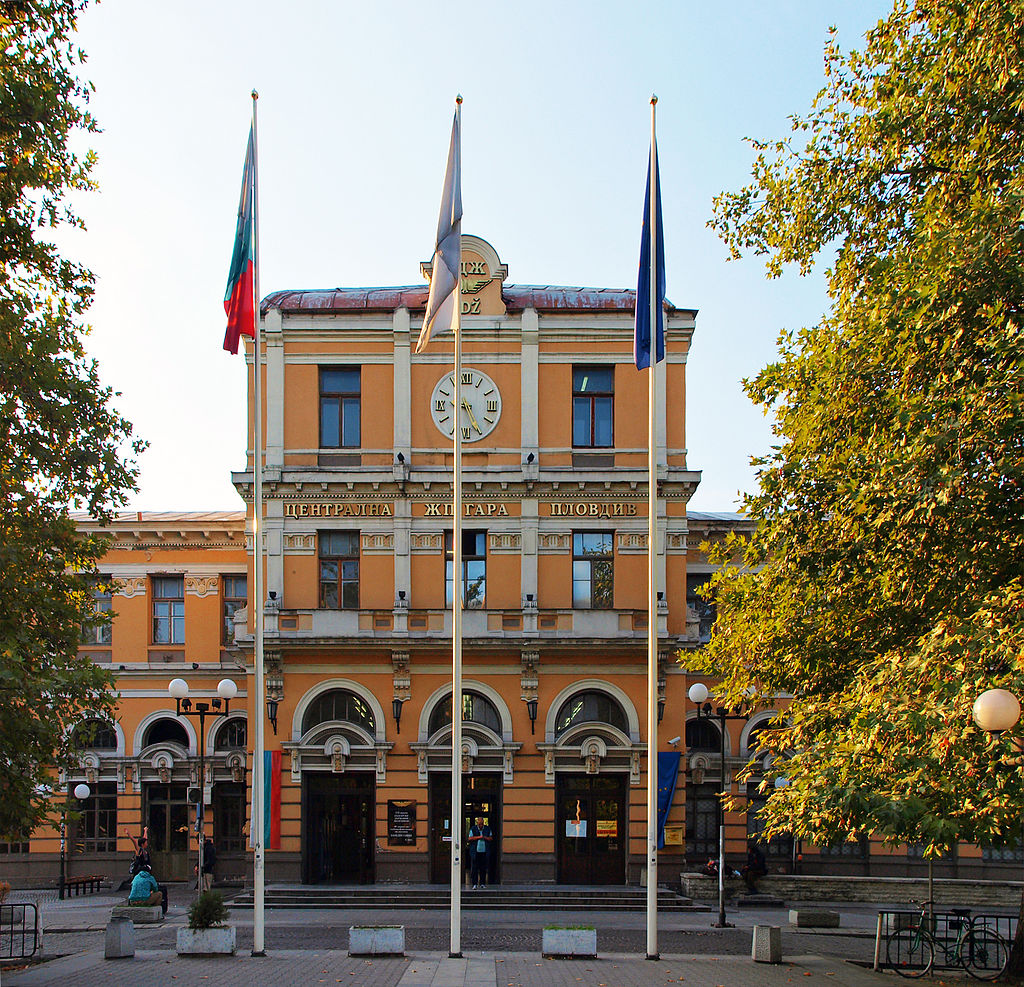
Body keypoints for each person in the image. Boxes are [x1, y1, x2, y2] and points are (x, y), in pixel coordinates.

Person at [467, 816, 492, 889]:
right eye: (479, 824)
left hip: (484, 852)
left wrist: (485, 837)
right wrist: (479, 837)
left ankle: (482, 883)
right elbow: (470, 838)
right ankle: (474, 883)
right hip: (475, 852)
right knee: (474, 868)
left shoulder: (487, 829)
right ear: (477, 823)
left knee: (483, 868)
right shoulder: (473, 829)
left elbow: (491, 838)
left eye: (481, 824)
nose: (480, 825)